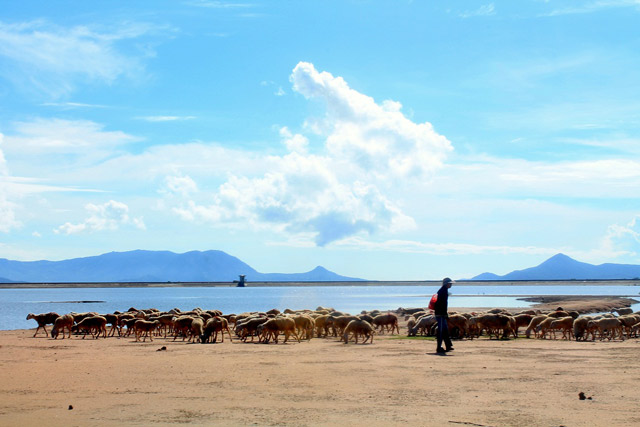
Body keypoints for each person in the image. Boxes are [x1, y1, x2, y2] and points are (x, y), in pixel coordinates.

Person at [434, 277, 454, 354]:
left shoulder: (443, 290)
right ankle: (439, 347)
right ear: (447, 284)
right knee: (441, 330)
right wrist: (445, 314)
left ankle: (448, 345)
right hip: (440, 314)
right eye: (450, 283)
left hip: (441, 313)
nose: (451, 285)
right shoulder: (443, 291)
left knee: (444, 329)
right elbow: (442, 304)